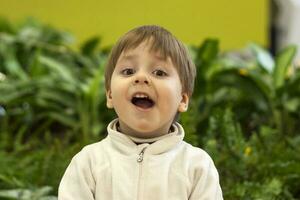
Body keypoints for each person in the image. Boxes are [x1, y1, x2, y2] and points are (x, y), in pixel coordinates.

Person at [58, 25, 223, 200]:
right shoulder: (88, 163)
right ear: (110, 95)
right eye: (128, 71)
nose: (141, 77)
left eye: (159, 72)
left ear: (182, 100)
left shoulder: (197, 166)